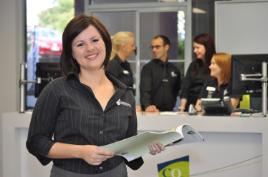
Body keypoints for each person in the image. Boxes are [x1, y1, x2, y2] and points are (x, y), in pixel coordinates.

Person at [26, 15, 164, 177]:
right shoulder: (56, 90)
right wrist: (80, 152)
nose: (90, 48)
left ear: (106, 43)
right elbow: (36, 142)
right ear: (71, 53)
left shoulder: (125, 94)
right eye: (80, 44)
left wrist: (145, 147)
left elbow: (128, 147)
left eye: (94, 40)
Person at [140, 35, 181, 112]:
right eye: (152, 47)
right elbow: (144, 91)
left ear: (166, 47)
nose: (154, 50)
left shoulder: (175, 70)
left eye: (157, 47)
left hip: (169, 112)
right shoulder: (147, 68)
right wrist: (147, 106)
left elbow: (176, 90)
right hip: (151, 112)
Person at [179, 33, 216, 112]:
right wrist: (182, 108)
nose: (195, 51)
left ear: (207, 47)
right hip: (190, 107)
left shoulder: (215, 65)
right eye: (194, 48)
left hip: (206, 106)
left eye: (197, 47)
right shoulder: (193, 65)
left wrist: (199, 104)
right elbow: (185, 88)